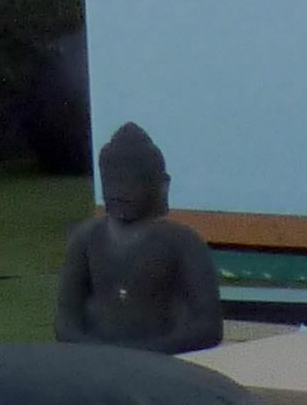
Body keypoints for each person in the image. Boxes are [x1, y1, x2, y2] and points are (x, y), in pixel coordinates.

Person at [55, 119, 223, 354]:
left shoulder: (182, 241)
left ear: (161, 185)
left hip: (163, 364)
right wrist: (104, 354)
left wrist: (144, 354)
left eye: (132, 182)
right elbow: (65, 326)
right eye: (112, 181)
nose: (119, 191)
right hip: (98, 361)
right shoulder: (86, 238)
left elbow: (208, 329)